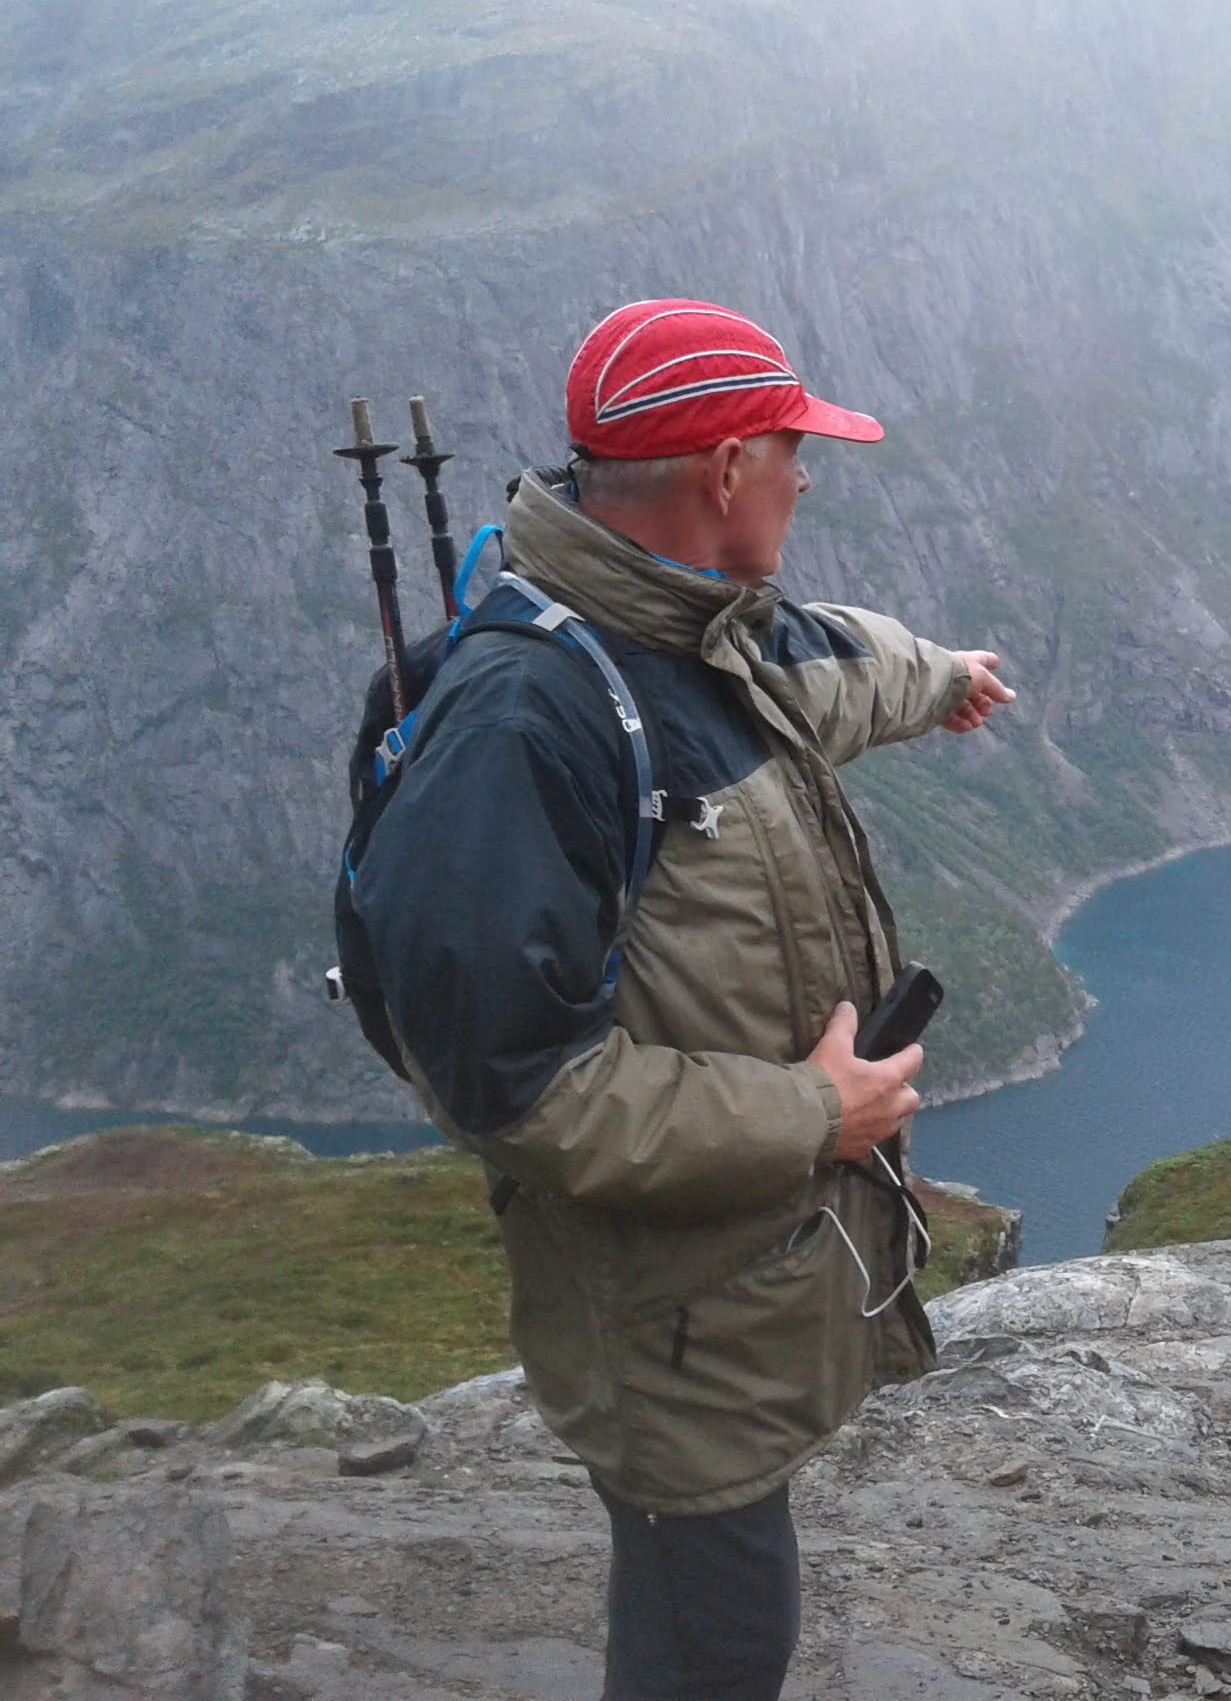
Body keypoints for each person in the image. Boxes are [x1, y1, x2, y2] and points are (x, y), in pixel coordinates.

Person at [352, 297, 1014, 1700]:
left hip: (732, 1285)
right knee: (711, 1639)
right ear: (725, 474)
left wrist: (946, 678)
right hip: (664, 1310)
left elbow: (828, 676)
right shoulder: (531, 724)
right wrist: (809, 1114)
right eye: (791, 448)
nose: (808, 474)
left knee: (719, 1611)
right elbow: (514, 1087)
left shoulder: (688, 642)